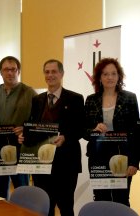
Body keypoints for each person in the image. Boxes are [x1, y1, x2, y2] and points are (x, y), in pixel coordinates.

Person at [20, 59, 85, 216]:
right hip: (41, 163)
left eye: (54, 71)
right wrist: (24, 136)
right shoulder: (37, 100)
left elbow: (81, 128)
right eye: (47, 72)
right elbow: (33, 126)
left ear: (61, 74)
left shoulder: (75, 99)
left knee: (66, 207)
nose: (50, 75)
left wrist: (66, 137)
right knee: (44, 206)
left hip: (66, 163)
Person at [83, 57, 139, 206]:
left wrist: (134, 161)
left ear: (119, 76)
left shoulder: (130, 98)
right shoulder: (90, 100)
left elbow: (136, 132)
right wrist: (94, 130)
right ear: (99, 77)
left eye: (114, 73)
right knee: (101, 199)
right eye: (105, 74)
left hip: (122, 156)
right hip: (97, 157)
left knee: (121, 199)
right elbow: (84, 131)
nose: (110, 77)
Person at [0, 56, 37, 199]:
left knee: (22, 191)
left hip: (20, 149)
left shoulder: (30, 93)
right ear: (1, 72)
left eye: (13, 69)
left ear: (18, 71)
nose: (10, 73)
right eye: (6, 69)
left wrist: (25, 129)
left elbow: (38, 121)